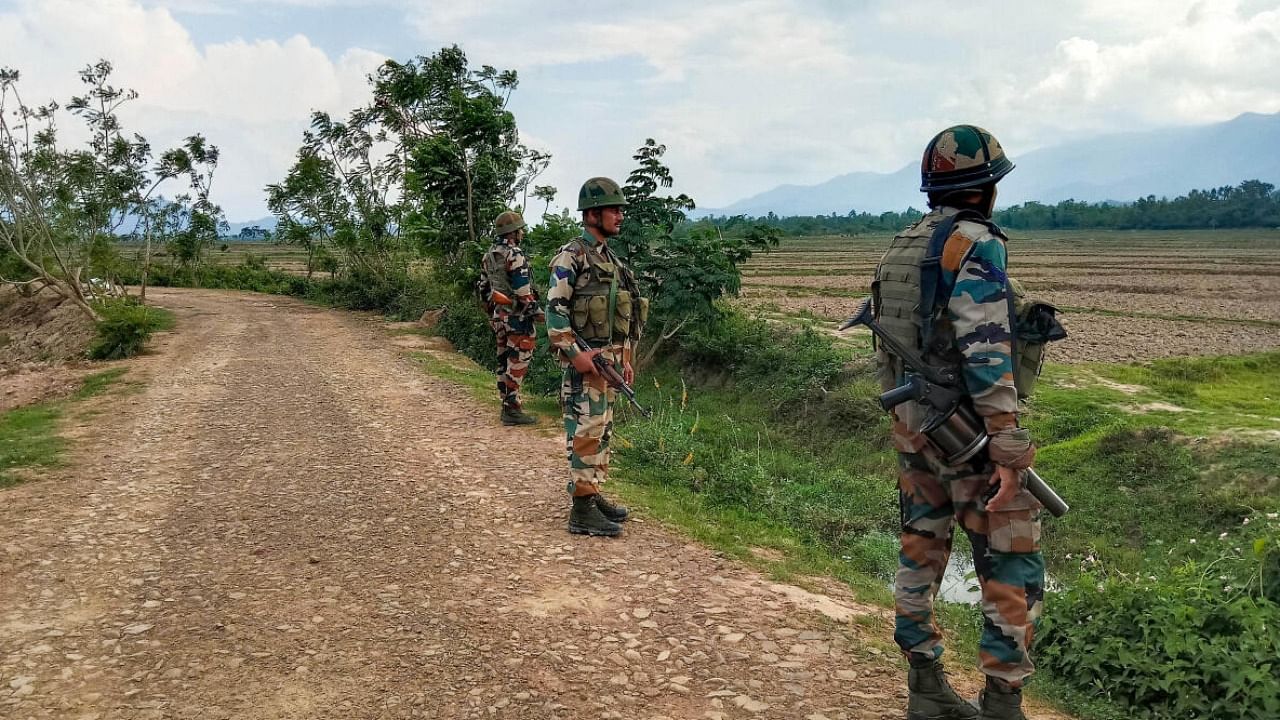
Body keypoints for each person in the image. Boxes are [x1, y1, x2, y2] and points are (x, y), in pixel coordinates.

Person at [872, 126, 1044, 720]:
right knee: (1012, 561)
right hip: (968, 432)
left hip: (915, 426)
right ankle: (1002, 703)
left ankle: (925, 686)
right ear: (986, 187)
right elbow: (987, 348)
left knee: (920, 549)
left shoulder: (904, 243)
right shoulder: (975, 243)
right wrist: (1007, 444)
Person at [544, 177, 647, 537]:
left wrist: (627, 359)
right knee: (586, 431)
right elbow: (555, 312)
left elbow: (625, 316)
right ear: (592, 214)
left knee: (602, 431)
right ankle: (581, 509)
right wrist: (575, 356)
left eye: (620, 209)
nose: (620, 215)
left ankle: (592, 491)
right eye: (613, 209)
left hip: (610, 363)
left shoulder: (609, 258)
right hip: (588, 364)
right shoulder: (571, 256)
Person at [481, 210, 543, 426]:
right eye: (520, 230)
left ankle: (506, 404)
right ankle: (512, 409)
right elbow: (523, 293)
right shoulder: (514, 254)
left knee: (503, 360)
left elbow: (483, 289)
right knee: (518, 361)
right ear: (513, 233)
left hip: (499, 316)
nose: (522, 233)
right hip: (517, 318)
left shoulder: (489, 255)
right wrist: (540, 315)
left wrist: (492, 315)